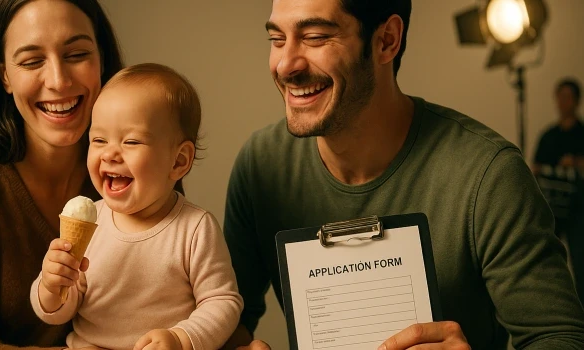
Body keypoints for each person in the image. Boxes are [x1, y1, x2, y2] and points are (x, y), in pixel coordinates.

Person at [222, 0, 584, 349]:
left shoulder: (489, 175)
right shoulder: (260, 166)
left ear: (386, 40)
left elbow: (559, 337)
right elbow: (228, 320)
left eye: (315, 37)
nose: (286, 65)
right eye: (277, 39)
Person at [0, 0, 124, 348]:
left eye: (77, 54)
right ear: (3, 74)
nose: (59, 81)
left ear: (101, 59)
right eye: (31, 61)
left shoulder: (139, 169)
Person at [30, 63, 243, 350]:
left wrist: (181, 339)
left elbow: (222, 301)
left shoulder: (194, 228)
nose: (110, 154)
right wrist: (51, 287)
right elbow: (62, 309)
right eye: (99, 140)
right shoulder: (93, 223)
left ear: (178, 161)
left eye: (131, 141)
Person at [533, 78, 584, 175]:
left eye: (568, 97)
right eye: (561, 97)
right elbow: (536, 167)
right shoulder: (548, 136)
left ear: (577, 100)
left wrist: (575, 162)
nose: (563, 102)